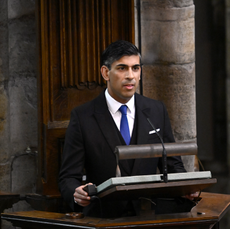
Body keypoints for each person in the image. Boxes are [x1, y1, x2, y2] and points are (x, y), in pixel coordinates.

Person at [59, 40, 198, 218]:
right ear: (105, 73)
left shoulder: (156, 110)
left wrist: (185, 188)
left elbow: (173, 164)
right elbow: (68, 177)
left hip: (151, 216)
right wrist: (76, 194)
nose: (130, 76)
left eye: (135, 68)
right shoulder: (83, 116)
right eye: (122, 68)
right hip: (104, 217)